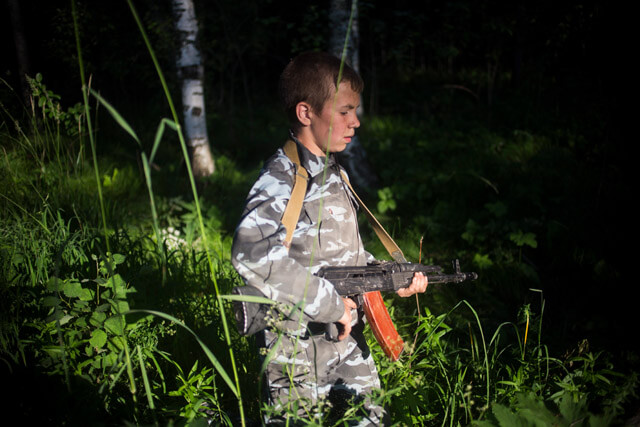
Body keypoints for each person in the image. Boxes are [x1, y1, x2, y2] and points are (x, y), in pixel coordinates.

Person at [231, 51, 428, 425]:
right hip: (295, 346)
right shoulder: (281, 178)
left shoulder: (336, 174)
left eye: (355, 111)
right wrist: (331, 304)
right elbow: (253, 257)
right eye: (344, 112)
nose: (355, 122)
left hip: (347, 339)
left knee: (373, 419)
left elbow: (342, 256)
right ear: (306, 113)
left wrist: (388, 275)